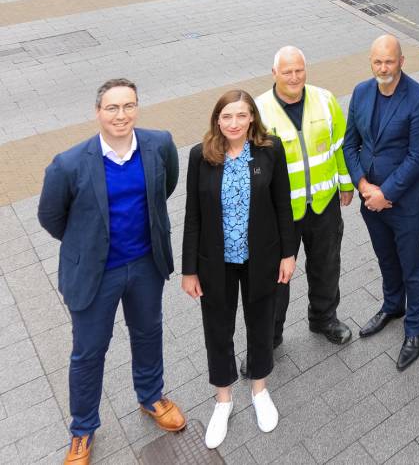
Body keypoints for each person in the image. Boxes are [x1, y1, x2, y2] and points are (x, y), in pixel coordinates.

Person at [38, 79, 186, 465]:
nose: (121, 115)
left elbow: (164, 187)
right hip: (95, 274)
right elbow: (52, 217)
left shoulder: (160, 145)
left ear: (137, 108)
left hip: (144, 266)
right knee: (88, 352)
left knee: (149, 332)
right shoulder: (68, 164)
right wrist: (87, 243)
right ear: (98, 112)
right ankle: (83, 430)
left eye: (128, 106)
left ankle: (151, 396)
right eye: (112, 108)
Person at [182, 90, 296, 449]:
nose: (234, 123)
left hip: (261, 257)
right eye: (227, 116)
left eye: (241, 116)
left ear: (252, 119)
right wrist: (189, 270)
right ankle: (223, 400)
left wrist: (288, 254)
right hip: (215, 262)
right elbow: (193, 216)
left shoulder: (269, 150)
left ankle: (259, 390)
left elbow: (283, 205)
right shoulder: (201, 156)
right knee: (218, 328)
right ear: (217, 119)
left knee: (261, 322)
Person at [252, 46, 355, 358]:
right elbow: (252, 163)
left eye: (299, 70)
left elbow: (340, 146)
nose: (294, 77)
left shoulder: (325, 99)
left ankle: (324, 319)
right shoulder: (259, 110)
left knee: (326, 266)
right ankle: (268, 337)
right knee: (276, 277)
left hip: (324, 203)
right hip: (281, 212)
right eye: (287, 72)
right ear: (274, 74)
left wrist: (346, 183)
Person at [343, 35, 419, 371]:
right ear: (371, 62)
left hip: (406, 201)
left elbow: (416, 157)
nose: (384, 68)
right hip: (371, 199)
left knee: (412, 263)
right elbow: (349, 145)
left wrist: (386, 194)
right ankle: (393, 305)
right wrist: (363, 184)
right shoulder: (361, 92)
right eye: (378, 62)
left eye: (390, 61)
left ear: (401, 62)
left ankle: (415, 329)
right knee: (385, 256)